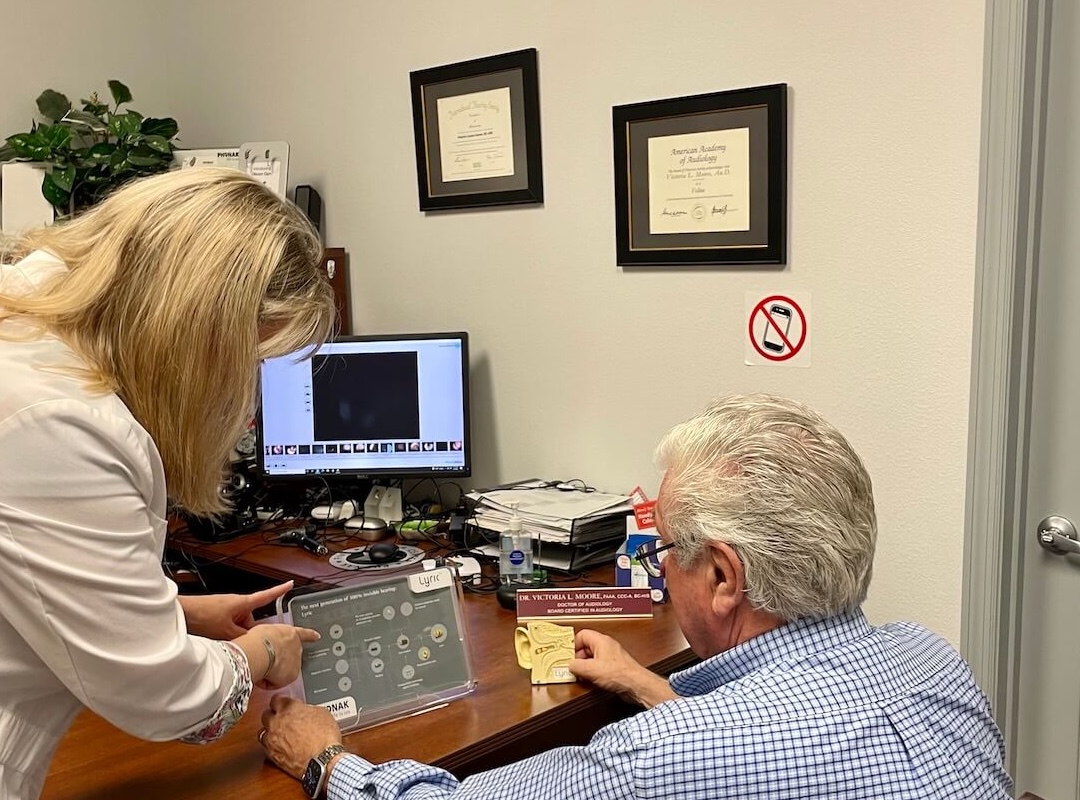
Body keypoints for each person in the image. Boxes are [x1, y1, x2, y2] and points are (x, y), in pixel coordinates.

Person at [258, 394, 1013, 799]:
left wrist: (327, 763)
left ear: (722, 578)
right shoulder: (931, 659)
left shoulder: (661, 759)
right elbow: (788, 746)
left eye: (662, 548)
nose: (656, 563)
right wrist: (645, 682)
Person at [0, 167, 337, 800]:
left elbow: (28, 585)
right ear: (201, 332)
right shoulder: (63, 422)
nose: (248, 397)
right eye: (252, 363)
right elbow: (164, 699)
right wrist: (264, 651)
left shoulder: (28, 336)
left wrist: (178, 615)